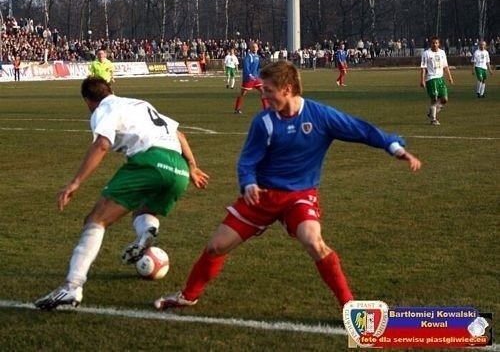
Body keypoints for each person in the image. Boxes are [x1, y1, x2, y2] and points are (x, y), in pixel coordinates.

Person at [154, 61, 422, 311]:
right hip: (263, 196)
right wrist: (248, 183)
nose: (265, 96)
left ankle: (349, 307)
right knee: (215, 247)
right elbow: (247, 161)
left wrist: (394, 147)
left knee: (313, 241)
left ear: (287, 89)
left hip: (300, 196)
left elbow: (361, 130)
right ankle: (188, 296)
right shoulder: (264, 122)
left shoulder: (320, 116)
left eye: (269, 91)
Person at [35, 77, 209, 310]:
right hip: (178, 169)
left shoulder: (103, 109)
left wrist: (76, 182)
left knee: (95, 220)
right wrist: (193, 166)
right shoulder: (139, 104)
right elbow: (180, 135)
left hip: (150, 162)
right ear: (111, 90)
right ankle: (148, 230)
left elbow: (103, 144)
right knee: (143, 209)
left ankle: (72, 288)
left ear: (88, 101)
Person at [420, 36, 454, 126]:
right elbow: (423, 68)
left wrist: (450, 77)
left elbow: (445, 66)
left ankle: (432, 111)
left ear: (439, 44)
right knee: (434, 98)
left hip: (440, 78)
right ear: (430, 44)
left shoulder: (442, 53)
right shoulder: (426, 53)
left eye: (436, 43)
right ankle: (433, 119)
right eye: (433, 43)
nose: (435, 44)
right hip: (431, 78)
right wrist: (422, 80)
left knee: (445, 99)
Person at [233, 42, 268, 114]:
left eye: (256, 47)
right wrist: (249, 75)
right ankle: (237, 109)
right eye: (253, 47)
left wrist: (259, 75)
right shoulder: (248, 56)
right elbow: (246, 66)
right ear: (251, 48)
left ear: (258, 48)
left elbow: (258, 68)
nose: (255, 48)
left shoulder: (257, 57)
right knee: (243, 93)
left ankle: (266, 109)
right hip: (249, 79)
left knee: (263, 91)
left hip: (256, 78)